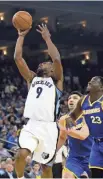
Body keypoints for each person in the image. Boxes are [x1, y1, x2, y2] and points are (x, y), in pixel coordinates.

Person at [14, 24, 63, 179]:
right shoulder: (32, 78)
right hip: (32, 124)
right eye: (42, 63)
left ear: (53, 70)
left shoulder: (57, 81)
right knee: (21, 154)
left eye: (47, 64)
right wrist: (21, 36)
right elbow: (17, 58)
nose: (44, 63)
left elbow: (56, 58)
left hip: (49, 127)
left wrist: (47, 38)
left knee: (46, 168)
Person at [58, 91, 92, 178]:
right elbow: (62, 137)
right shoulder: (64, 119)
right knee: (66, 176)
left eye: (75, 98)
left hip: (92, 157)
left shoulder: (88, 115)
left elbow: (83, 135)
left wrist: (64, 128)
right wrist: (54, 151)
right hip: (74, 158)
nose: (71, 100)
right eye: (69, 98)